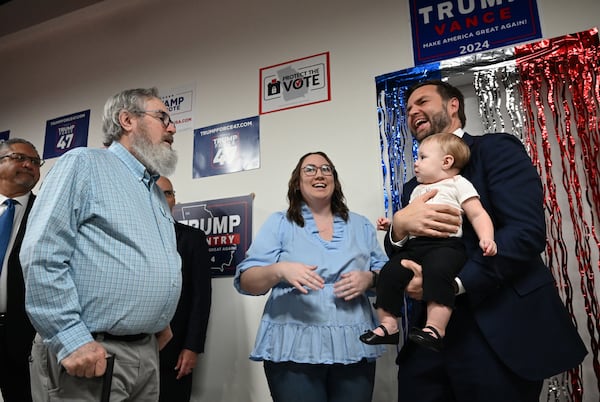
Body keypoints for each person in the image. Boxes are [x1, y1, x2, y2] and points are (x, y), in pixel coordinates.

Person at [386, 79, 587, 402]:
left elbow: (525, 232)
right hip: (430, 340)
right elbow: (408, 248)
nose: (413, 112)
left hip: (500, 331)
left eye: (422, 102)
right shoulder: (414, 185)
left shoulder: (495, 149)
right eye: (408, 109)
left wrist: (453, 284)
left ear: (453, 105)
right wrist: (397, 229)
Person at [20, 87, 183, 402]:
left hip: (145, 352)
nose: (172, 127)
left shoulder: (153, 191)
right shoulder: (83, 164)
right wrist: (70, 338)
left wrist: (157, 318)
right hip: (90, 352)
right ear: (127, 120)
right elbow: (41, 256)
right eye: (163, 117)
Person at [234, 151, 388, 402]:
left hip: (353, 343)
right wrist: (280, 270)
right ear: (297, 182)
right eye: (310, 169)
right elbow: (247, 281)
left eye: (327, 169)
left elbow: (388, 276)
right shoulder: (279, 223)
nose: (319, 173)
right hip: (292, 347)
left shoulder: (361, 225)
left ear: (335, 181)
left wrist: (371, 279)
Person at [360, 133, 496, 351]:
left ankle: (435, 328)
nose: (416, 162)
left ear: (447, 162)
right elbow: (407, 218)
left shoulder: (458, 183)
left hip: (446, 246)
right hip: (414, 247)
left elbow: (478, 214)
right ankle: (388, 324)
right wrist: (393, 224)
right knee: (389, 272)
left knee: (438, 270)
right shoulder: (416, 189)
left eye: (422, 157)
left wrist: (486, 237)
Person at [156, 176, 212, 402]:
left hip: (175, 350)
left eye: (168, 193)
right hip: (129, 349)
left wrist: (192, 347)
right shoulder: (126, 237)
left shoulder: (192, 239)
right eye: (157, 192)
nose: (163, 198)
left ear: (174, 200)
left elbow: (201, 298)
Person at [0, 139, 42, 402]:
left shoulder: (48, 212)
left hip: (24, 335)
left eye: (36, 162)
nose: (29, 165)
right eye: (19, 157)